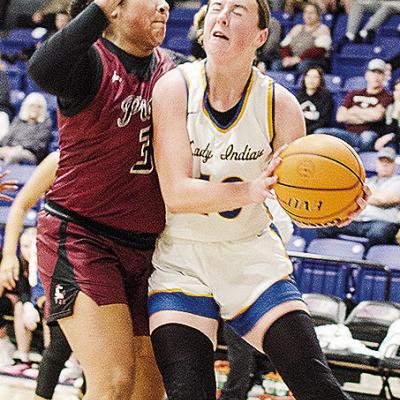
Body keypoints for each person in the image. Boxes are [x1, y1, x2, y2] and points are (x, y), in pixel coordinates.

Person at [148, 1, 367, 400]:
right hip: (181, 259)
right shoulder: (174, 88)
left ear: (261, 37)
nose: (223, 16)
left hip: (250, 257)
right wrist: (250, 190)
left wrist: (337, 212)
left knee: (317, 386)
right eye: (216, 6)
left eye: (238, 10)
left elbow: (295, 201)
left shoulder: (279, 104)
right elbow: (176, 193)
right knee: (187, 392)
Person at [26, 0, 178, 398]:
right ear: (115, 7)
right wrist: (96, 10)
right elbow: (41, 69)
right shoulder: (91, 64)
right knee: (112, 383)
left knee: (149, 391)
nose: (164, 5)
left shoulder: (174, 71)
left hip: (148, 248)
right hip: (82, 237)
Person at [220, 199, 294, 400]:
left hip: (252, 277)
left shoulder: (272, 199)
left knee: (242, 346)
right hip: (221, 270)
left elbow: (284, 231)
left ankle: (232, 395)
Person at [318, 147, 400, 248]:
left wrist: (360, 195)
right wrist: (366, 195)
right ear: (376, 164)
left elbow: (385, 200)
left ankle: (371, 260)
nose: (384, 164)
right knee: (326, 225)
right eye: (381, 161)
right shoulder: (368, 181)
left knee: (378, 233)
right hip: (357, 221)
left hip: (380, 222)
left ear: (395, 166)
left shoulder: (397, 181)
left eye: (389, 161)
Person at [318, 58, 393, 152]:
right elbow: (340, 117)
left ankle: (352, 152)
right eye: (373, 72)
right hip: (349, 134)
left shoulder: (386, 96)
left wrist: (354, 110)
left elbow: (376, 116)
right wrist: (367, 115)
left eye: (380, 73)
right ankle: (352, 150)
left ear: (384, 77)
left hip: (370, 133)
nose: (376, 76)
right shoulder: (354, 93)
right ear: (367, 75)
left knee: (366, 138)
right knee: (320, 133)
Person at [0, 227, 37, 373]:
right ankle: (8, 351)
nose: (27, 250)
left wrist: (29, 303)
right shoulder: (21, 263)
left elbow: (25, 292)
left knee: (22, 307)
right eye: (24, 246)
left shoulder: (43, 264)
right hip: (21, 300)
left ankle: (24, 358)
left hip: (33, 302)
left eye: (31, 245)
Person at [272, 2, 331, 74]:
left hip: (313, 60)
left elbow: (319, 50)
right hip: (292, 58)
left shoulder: (323, 29)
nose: (308, 15)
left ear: (318, 15)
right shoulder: (297, 28)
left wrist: (298, 58)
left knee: (303, 65)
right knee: (276, 64)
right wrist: (286, 58)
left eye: (311, 13)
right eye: (306, 12)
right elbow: (284, 46)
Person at [0, 92, 52, 164]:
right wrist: (7, 147)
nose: (35, 109)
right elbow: (7, 137)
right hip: (10, 149)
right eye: (32, 105)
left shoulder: (45, 123)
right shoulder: (18, 120)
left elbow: (38, 146)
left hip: (30, 154)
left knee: (12, 155)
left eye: (39, 106)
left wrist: (18, 148)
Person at [297, 66, 333, 134]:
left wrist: (306, 130)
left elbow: (324, 121)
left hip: (315, 131)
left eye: (315, 77)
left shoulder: (325, 97)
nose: (311, 80)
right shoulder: (299, 97)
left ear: (320, 80)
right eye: (308, 76)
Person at [375, 78, 400, 153]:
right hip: (395, 141)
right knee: (389, 146)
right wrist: (396, 112)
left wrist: (391, 136)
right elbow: (389, 130)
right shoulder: (391, 107)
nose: (398, 93)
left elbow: (390, 135)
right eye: (396, 90)